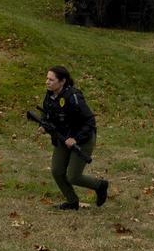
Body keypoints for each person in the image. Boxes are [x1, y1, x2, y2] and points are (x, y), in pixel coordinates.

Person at [38, 66, 108, 210]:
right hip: (62, 138)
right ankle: (72, 201)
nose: (47, 82)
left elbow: (90, 121)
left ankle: (100, 185)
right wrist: (44, 125)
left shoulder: (73, 96)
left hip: (83, 139)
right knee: (57, 171)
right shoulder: (50, 94)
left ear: (62, 81)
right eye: (47, 78)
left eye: (51, 79)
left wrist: (76, 139)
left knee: (73, 176)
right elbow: (46, 113)